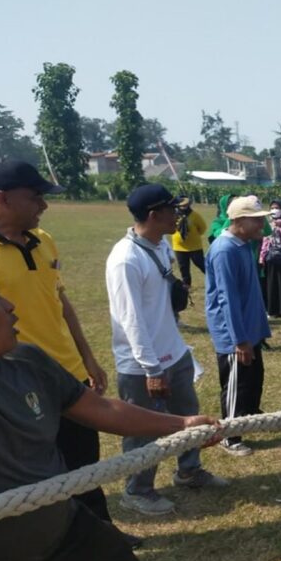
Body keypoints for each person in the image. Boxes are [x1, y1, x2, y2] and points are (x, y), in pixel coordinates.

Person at [0, 253, 220, 561]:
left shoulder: (27, 362)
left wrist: (180, 424)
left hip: (63, 535)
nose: (9, 305)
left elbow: (102, 408)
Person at [0, 161, 125, 540]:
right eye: (36, 196)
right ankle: (47, 540)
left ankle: (102, 534)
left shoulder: (44, 241)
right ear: (3, 198)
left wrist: (87, 358)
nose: (43, 205)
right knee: (36, 470)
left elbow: (60, 302)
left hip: (67, 374)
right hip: (13, 382)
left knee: (84, 465)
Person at [106, 184, 228, 517]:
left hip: (174, 353)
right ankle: (138, 489)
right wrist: (151, 367)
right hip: (143, 365)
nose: (179, 215)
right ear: (153, 215)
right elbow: (130, 320)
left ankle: (188, 470)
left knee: (187, 416)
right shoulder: (125, 260)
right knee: (143, 430)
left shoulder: (161, 246)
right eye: (172, 210)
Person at [204, 195, 272, 457]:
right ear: (239, 220)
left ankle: (249, 417)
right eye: (256, 220)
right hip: (235, 333)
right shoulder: (224, 250)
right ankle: (230, 435)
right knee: (236, 384)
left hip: (249, 328)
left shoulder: (243, 244)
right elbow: (226, 298)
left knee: (253, 380)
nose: (261, 226)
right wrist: (239, 340)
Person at [171, 197, 208, 289]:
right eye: (182, 205)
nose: (184, 207)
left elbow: (202, 228)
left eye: (186, 205)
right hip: (179, 247)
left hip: (194, 247)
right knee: (183, 268)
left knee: (202, 264)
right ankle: (187, 285)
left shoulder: (195, 215)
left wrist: (194, 235)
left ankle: (214, 278)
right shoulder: (174, 215)